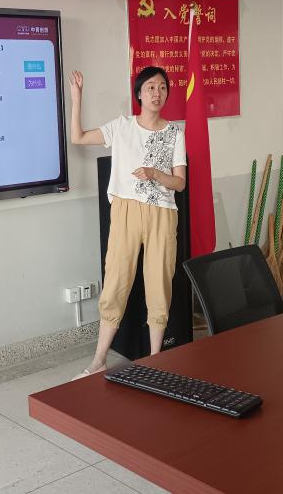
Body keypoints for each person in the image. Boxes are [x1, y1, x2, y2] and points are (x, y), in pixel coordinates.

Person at [69, 66, 187, 379]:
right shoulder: (121, 127)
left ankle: (156, 359)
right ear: (139, 94)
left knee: (159, 283)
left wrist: (155, 173)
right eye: (151, 87)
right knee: (116, 280)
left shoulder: (175, 132)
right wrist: (77, 97)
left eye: (162, 87)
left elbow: (180, 183)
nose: (157, 93)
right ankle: (99, 359)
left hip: (162, 213)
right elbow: (78, 137)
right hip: (125, 210)